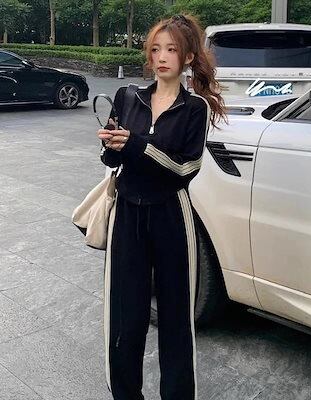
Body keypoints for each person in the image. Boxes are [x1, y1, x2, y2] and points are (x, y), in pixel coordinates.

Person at [97, 13, 227, 400]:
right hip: (127, 214)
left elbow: (186, 169)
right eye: (155, 49)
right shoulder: (128, 96)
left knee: (176, 318)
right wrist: (110, 145)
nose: (162, 57)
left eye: (171, 49)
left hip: (171, 215)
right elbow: (111, 161)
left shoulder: (195, 108)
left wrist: (136, 144)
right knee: (124, 316)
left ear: (188, 57)